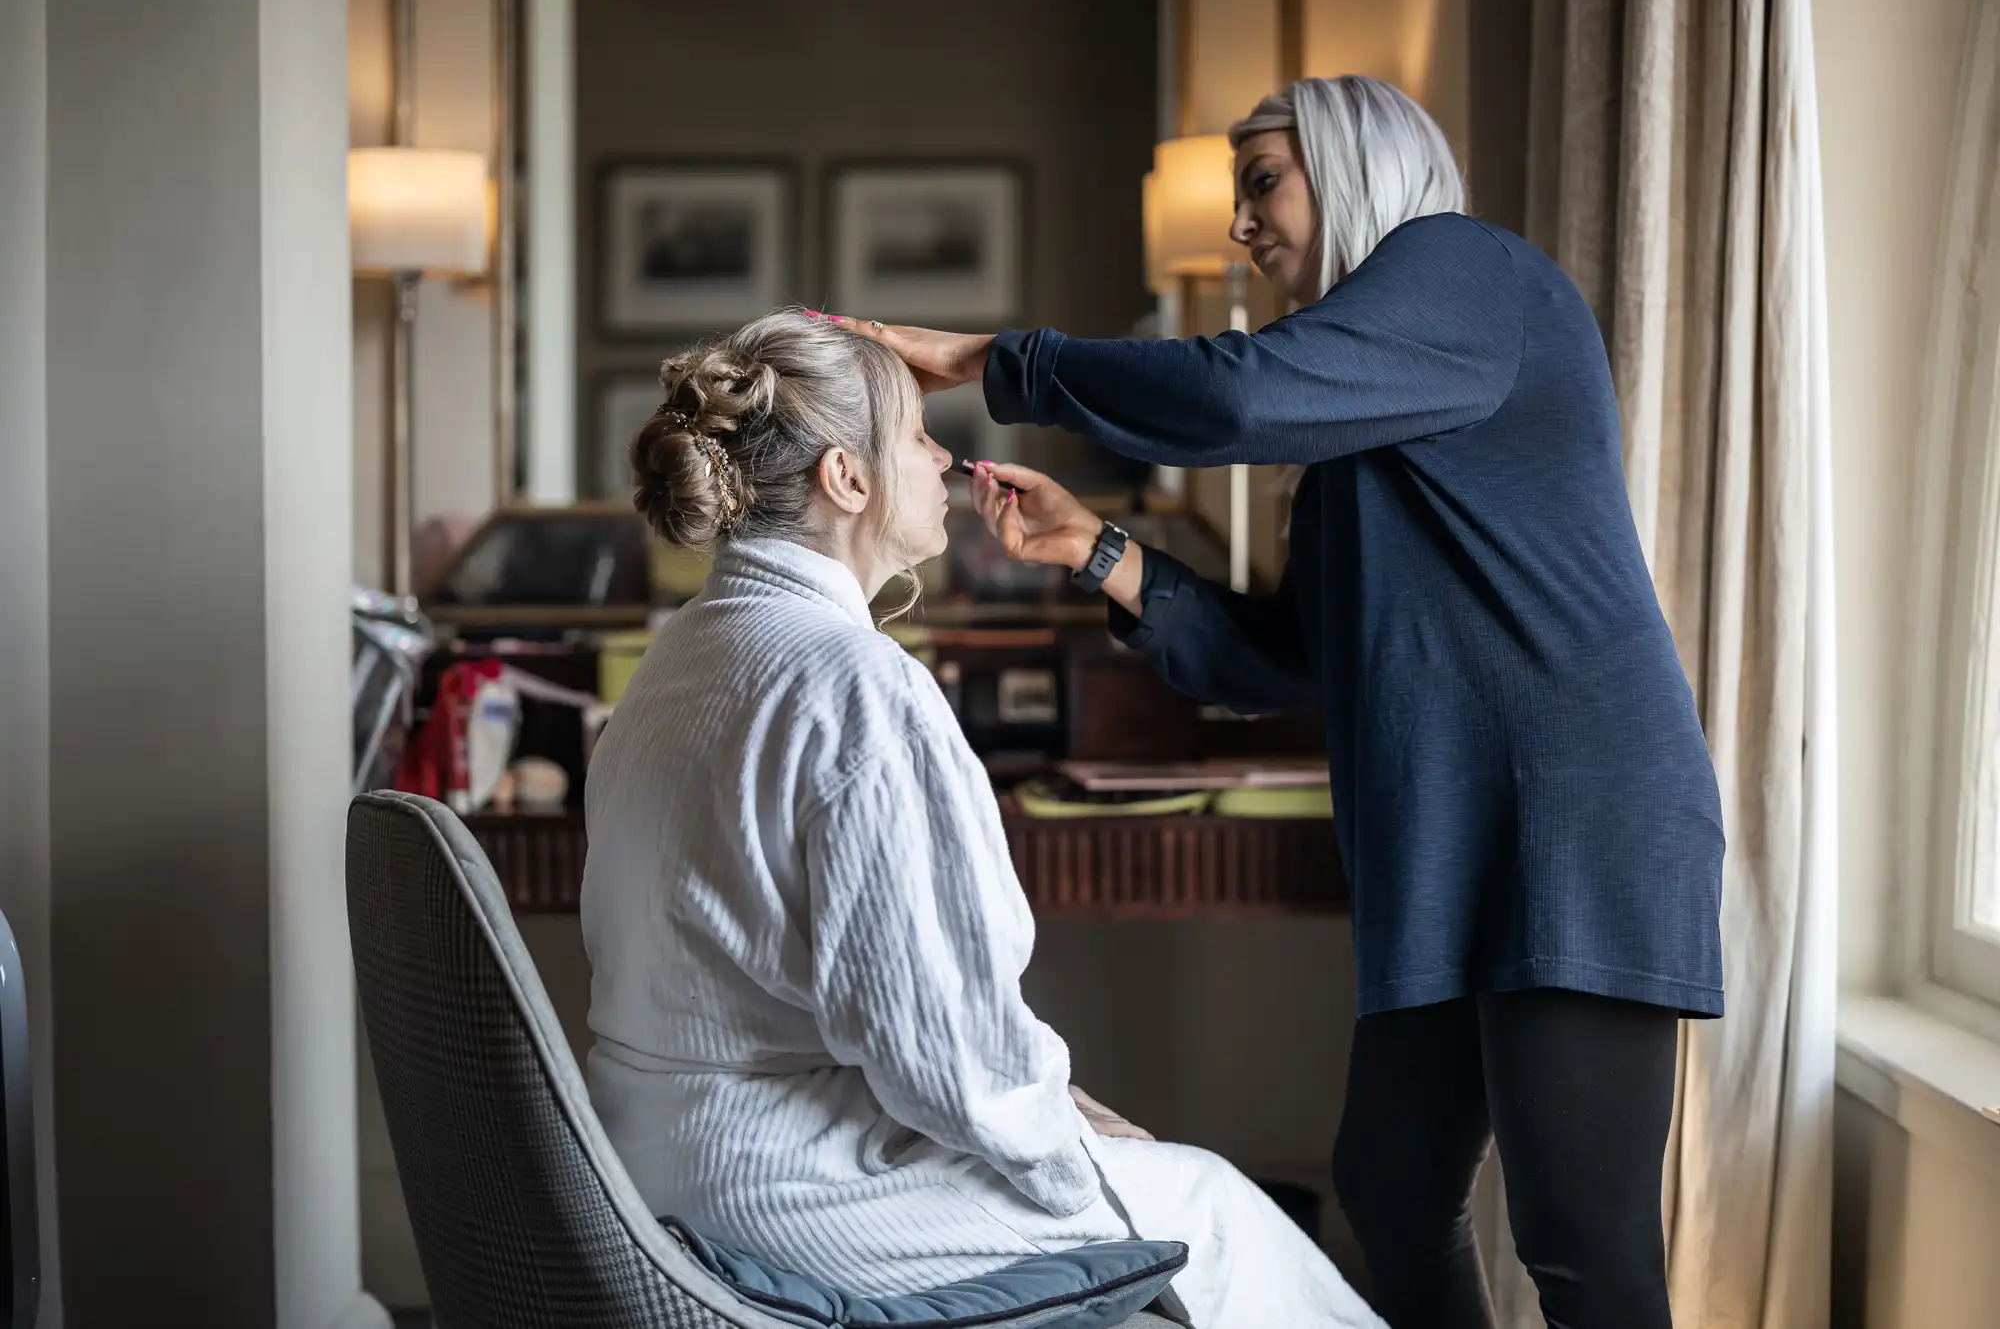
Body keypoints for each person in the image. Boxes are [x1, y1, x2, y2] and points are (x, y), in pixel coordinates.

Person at [841, 75, 1724, 1329]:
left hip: (1577, 821)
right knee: (1389, 1184)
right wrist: (1098, 550)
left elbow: (1232, 398)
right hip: (1450, 849)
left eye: (1262, 180)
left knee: (1580, 1242)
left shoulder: (1469, 274)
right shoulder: (1364, 423)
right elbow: (1286, 659)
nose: (1240, 224)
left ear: (1359, 163)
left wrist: (995, 359)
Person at [580, 311, 1385, 1329]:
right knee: (1215, 1211)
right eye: (916, 433)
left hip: (651, 1167)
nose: (944, 457)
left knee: (1167, 1182)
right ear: (847, 478)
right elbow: (939, 1052)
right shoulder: (853, 687)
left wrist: (1060, 1107)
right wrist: (1071, 1156)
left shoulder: (676, 660)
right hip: (792, 1195)